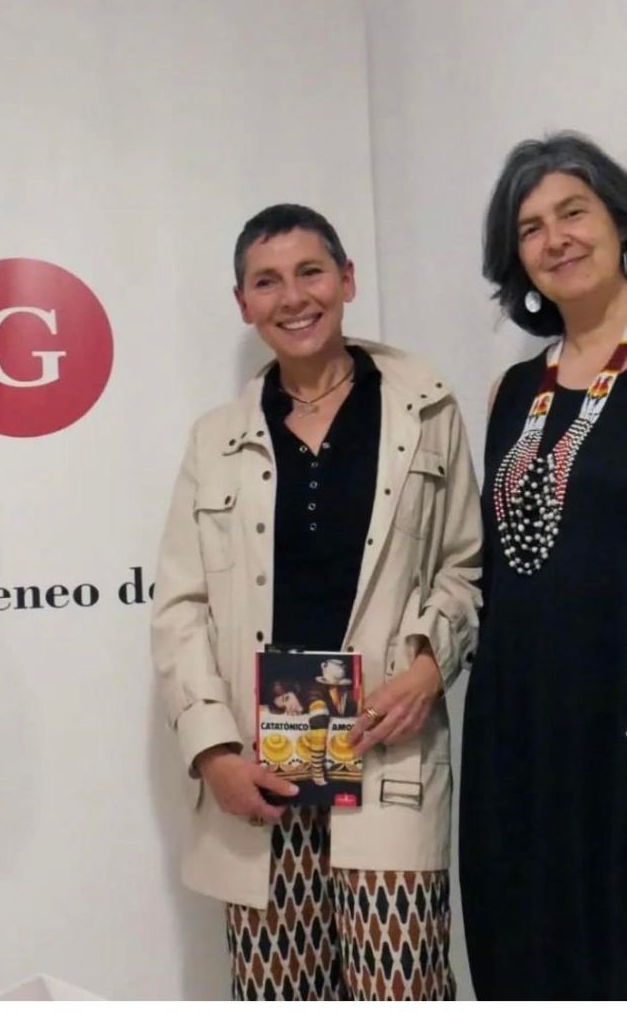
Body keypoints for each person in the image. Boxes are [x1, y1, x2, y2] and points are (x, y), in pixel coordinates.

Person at [151, 203, 481, 1000]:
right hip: (258, 766)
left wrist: (427, 669)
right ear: (242, 303)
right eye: (266, 282)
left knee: (400, 986)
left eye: (310, 272)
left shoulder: (424, 407)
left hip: (385, 747)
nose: (293, 297)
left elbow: (463, 567)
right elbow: (180, 606)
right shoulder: (214, 437)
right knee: (280, 994)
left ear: (346, 280)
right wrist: (212, 751)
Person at [460, 132, 627, 999]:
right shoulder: (511, 391)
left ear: (618, 222)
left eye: (573, 212)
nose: (555, 239)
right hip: (517, 721)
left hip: (614, 718)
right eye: (530, 228)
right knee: (524, 947)